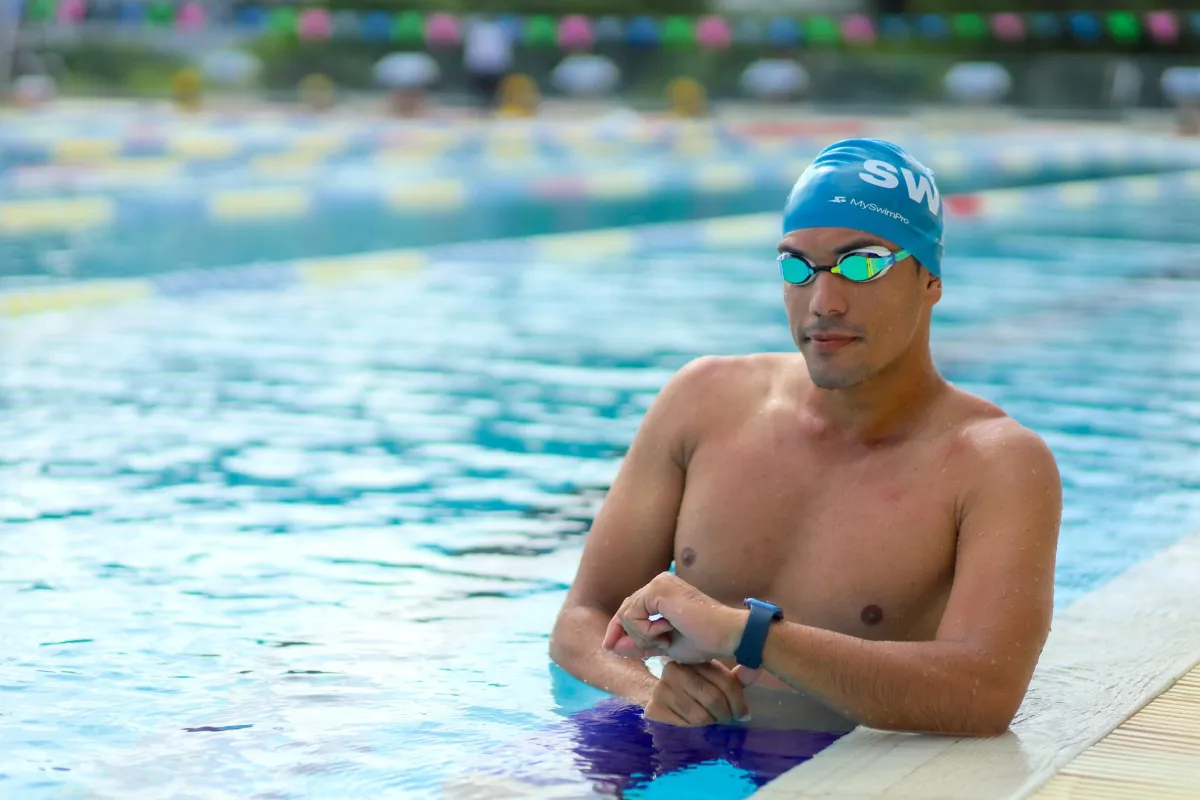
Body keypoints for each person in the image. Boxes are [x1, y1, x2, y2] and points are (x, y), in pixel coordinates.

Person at [550, 138, 1063, 735]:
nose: (824, 302)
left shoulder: (995, 464)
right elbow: (581, 620)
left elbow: (985, 693)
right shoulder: (701, 402)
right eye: (798, 266)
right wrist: (652, 689)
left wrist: (751, 637)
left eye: (863, 264)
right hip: (673, 755)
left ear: (930, 280)